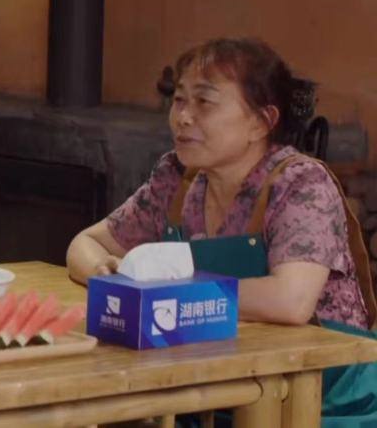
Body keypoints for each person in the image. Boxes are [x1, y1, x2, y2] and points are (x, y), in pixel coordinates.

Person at [66, 37, 376, 424]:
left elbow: (291, 301)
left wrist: (169, 296)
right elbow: (86, 243)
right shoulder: (176, 179)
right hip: (218, 390)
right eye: (179, 100)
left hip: (322, 401)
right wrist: (107, 274)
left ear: (261, 122)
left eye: (204, 102)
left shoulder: (299, 183)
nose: (183, 117)